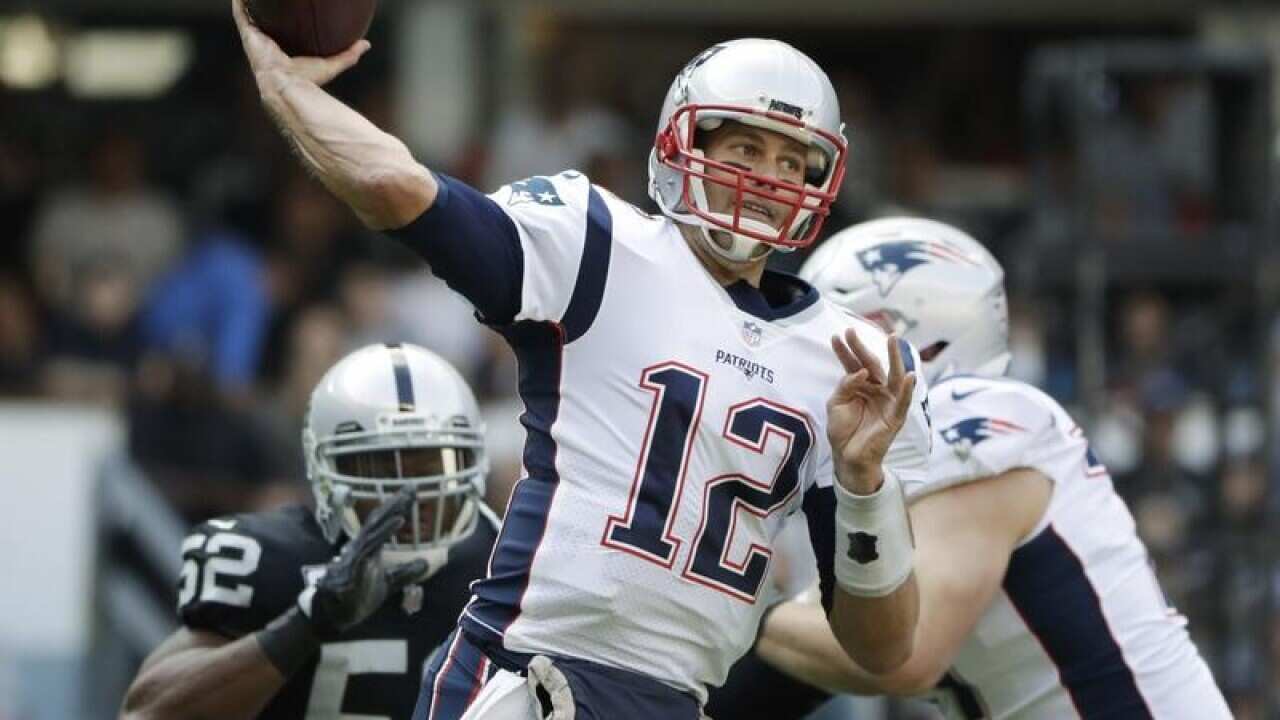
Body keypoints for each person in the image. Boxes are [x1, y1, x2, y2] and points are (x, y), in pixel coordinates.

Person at [231, 8, 935, 719]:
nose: (766, 178)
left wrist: (863, 483)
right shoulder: (598, 244)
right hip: (530, 672)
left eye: (791, 160)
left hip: (678, 700)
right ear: (680, 143)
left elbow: (884, 647)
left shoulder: (850, 361)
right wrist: (289, 92)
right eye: (745, 149)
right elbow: (399, 188)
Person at [757, 217, 1231, 718]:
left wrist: (745, 618)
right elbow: (775, 673)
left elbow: (904, 655)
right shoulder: (874, 482)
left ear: (912, 337)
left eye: (828, 334)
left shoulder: (973, 416)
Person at [121, 343, 499, 719]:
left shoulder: (499, 567)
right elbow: (147, 712)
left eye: (433, 466)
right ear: (324, 471)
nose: (413, 496)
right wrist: (305, 624)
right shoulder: (275, 561)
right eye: (381, 469)